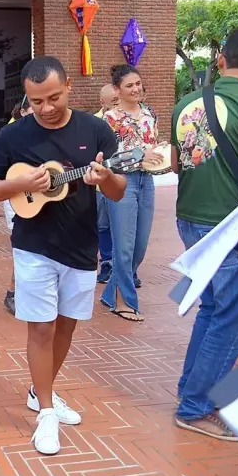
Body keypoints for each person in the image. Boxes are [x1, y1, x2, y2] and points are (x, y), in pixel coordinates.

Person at [0, 56, 125, 455]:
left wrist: (107, 175)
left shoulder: (95, 130)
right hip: (33, 245)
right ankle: (45, 412)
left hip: (80, 244)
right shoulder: (14, 136)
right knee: (40, 328)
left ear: (69, 88)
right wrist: (22, 181)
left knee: (66, 327)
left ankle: (39, 389)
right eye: (35, 101)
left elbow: (118, 191)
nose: (45, 108)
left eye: (53, 98)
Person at [171, 27, 238, 441]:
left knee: (211, 307)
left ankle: (190, 391)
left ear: (222, 59)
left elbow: (176, 164)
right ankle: (195, 406)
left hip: (189, 217)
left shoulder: (187, 101)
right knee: (230, 316)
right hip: (233, 225)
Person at [99, 65, 163, 321]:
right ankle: (124, 302)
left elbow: (153, 144)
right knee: (123, 247)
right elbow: (108, 160)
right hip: (122, 182)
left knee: (140, 246)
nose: (136, 89)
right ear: (117, 90)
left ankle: (110, 293)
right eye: (129, 85)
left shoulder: (150, 114)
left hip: (147, 181)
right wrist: (139, 156)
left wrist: (158, 154)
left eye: (138, 83)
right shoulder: (109, 119)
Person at [1, 99, 34, 315]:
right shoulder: (11, 135)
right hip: (18, 198)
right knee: (23, 246)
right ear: (23, 111)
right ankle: (12, 293)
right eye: (35, 105)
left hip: (42, 199)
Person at [95, 84, 119, 284]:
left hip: (121, 182)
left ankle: (126, 268)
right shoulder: (94, 122)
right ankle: (106, 263)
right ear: (102, 103)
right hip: (98, 187)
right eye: (113, 102)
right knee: (102, 225)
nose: (116, 105)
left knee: (120, 225)